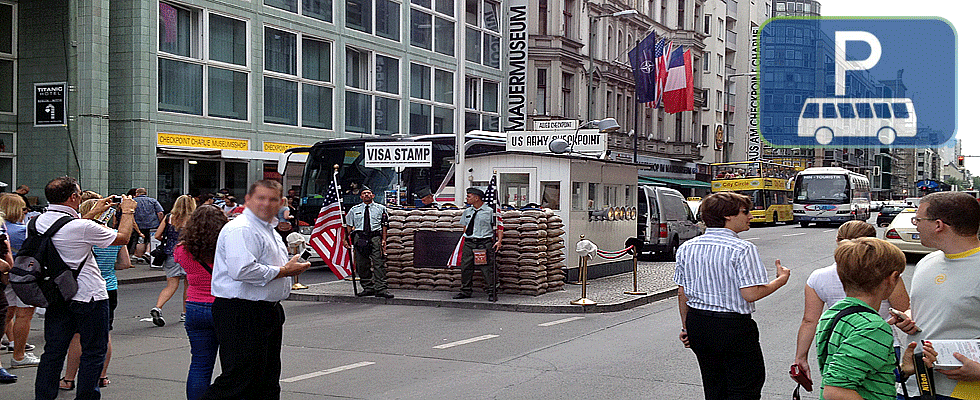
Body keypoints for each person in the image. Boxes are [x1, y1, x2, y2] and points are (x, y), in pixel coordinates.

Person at [674, 191, 790, 400]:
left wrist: (686, 327)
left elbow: (682, 292)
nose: (751, 217)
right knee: (746, 386)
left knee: (714, 385)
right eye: (745, 212)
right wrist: (780, 281)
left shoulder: (687, 247)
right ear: (728, 215)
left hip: (698, 322)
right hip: (732, 327)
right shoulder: (742, 249)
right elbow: (750, 293)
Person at [202, 180, 310, 399]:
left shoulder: (267, 229)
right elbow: (242, 270)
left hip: (266, 310)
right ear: (248, 200)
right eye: (261, 198)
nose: (266, 204)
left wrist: (289, 266)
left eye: (273, 200)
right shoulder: (241, 228)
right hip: (242, 310)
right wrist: (283, 270)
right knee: (239, 379)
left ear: (281, 203)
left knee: (266, 380)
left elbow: (266, 264)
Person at [34, 177, 136, 400]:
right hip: (89, 296)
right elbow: (123, 237)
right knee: (93, 352)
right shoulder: (83, 227)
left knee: (53, 352)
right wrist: (127, 212)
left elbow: (65, 228)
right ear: (73, 197)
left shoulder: (38, 222)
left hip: (58, 294)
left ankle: (44, 396)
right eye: (78, 194)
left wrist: (92, 213)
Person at [794, 220, 911, 382]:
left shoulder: (818, 277)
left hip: (838, 344)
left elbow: (809, 320)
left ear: (838, 241)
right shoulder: (887, 274)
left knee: (843, 386)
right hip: (882, 344)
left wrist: (801, 357)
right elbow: (904, 311)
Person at [891, 191, 980, 400]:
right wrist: (910, 317)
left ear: (938, 225)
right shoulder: (927, 262)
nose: (915, 225)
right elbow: (934, 307)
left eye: (918, 220)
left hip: (963, 392)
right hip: (915, 386)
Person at [816, 237, 928, 400]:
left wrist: (903, 370)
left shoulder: (833, 314)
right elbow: (835, 391)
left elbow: (853, 371)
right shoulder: (874, 327)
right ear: (892, 278)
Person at [61, 197, 129, 390]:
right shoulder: (114, 235)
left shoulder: (82, 234)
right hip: (109, 287)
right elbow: (125, 263)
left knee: (78, 336)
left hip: (83, 287)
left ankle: (68, 378)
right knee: (104, 334)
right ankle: (103, 375)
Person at [175, 205, 228, 400]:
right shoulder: (225, 247)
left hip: (195, 306)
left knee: (199, 364)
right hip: (223, 306)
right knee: (231, 365)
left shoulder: (182, 249)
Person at [1, 194, 38, 369]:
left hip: (5, 275)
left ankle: (11, 343)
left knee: (6, 313)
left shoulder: (3, 227)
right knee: (23, 315)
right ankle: (19, 355)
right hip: (23, 274)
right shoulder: (22, 230)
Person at [149, 194, 195, 327]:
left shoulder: (169, 217)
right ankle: (185, 313)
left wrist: (169, 242)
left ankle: (158, 307)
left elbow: (157, 235)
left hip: (170, 254)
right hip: (188, 254)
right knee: (188, 285)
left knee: (171, 285)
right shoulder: (193, 219)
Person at [452, 187, 503, 301]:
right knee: (466, 267)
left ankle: (492, 291)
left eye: (469, 196)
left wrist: (499, 241)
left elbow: (499, 227)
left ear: (476, 198)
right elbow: (465, 227)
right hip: (470, 242)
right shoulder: (468, 211)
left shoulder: (490, 211)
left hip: (483, 243)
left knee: (486, 268)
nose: (467, 198)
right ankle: (465, 291)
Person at [344, 187, 393, 299]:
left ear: (373, 196)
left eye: (368, 193)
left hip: (375, 237)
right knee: (362, 264)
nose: (366, 195)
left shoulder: (381, 209)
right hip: (360, 237)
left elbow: (384, 225)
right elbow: (348, 226)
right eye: (364, 194)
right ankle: (367, 288)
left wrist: (384, 240)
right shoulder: (354, 210)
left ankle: (381, 289)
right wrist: (345, 239)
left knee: (378, 263)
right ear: (361, 197)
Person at [129, 187, 164, 264]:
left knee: (140, 240)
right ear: (145, 193)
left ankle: (139, 257)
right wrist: (161, 222)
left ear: (136, 193)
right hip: (153, 224)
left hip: (139, 225)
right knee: (151, 240)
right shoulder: (153, 201)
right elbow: (160, 212)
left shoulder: (133, 201)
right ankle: (147, 253)